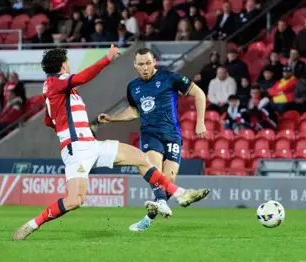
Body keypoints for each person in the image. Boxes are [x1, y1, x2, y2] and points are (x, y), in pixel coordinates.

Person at [12, 46, 209, 240]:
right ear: (63, 65)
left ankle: (181, 193)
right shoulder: (58, 82)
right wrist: (107, 58)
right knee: (75, 200)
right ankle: (31, 225)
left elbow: (48, 120)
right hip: (77, 149)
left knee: (140, 158)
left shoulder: (53, 89)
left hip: (90, 144)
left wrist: (64, 122)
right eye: (68, 62)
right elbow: (83, 78)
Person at [97, 48, 207, 232]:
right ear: (135, 65)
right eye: (141, 64)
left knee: (167, 180)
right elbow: (134, 111)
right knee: (153, 169)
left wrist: (200, 122)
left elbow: (199, 94)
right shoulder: (133, 87)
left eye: (148, 63)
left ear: (154, 62)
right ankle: (171, 199)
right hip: (150, 134)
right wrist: (112, 118)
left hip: (172, 134)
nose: (145, 68)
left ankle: (149, 217)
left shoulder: (169, 77)